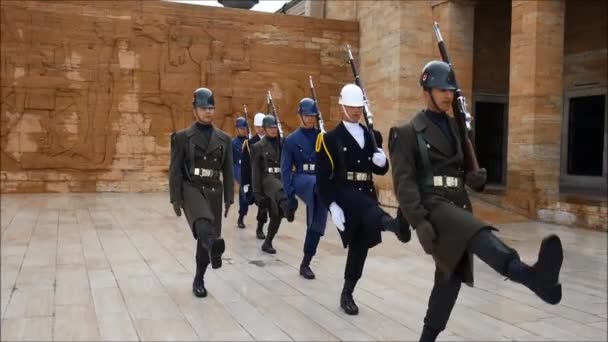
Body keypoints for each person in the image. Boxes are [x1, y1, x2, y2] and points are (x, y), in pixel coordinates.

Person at [388, 61, 564, 342]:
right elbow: (404, 182)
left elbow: (463, 173)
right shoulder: (406, 132)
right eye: (441, 89)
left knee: (449, 279)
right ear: (426, 91)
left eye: (451, 90)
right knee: (476, 231)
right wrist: (418, 221)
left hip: (457, 204)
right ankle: (529, 275)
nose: (448, 95)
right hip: (432, 208)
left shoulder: (457, 128)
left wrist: (476, 178)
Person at [316, 83, 410, 315]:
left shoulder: (371, 136)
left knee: (359, 247)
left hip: (366, 192)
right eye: (351, 106)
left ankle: (347, 293)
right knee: (367, 209)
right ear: (342, 107)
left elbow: (377, 170)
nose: (356, 111)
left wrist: (382, 161)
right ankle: (393, 224)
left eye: (359, 107)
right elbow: (322, 179)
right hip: (344, 192)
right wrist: (332, 206)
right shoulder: (330, 139)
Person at [169, 87, 234, 297]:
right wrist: (176, 199)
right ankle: (214, 245)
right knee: (204, 225)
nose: (208, 111)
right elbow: (175, 170)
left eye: (211, 107)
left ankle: (200, 277)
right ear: (194, 110)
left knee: (206, 240)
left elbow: (228, 169)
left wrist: (229, 198)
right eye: (203, 107)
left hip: (214, 189)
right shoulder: (182, 138)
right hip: (192, 187)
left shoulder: (224, 138)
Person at [281, 98, 328, 279]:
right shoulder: (291, 140)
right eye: (306, 115)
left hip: (319, 183)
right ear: (300, 116)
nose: (310, 119)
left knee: (318, 221)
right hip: (301, 178)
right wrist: (290, 196)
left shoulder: (323, 137)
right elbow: (285, 170)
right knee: (316, 184)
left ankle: (306, 262)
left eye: (313, 116)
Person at [251, 115, 296, 254]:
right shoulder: (257, 146)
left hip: (280, 178)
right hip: (266, 179)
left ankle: (268, 242)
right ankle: (288, 206)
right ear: (264, 129)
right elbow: (255, 171)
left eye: (275, 127)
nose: (273, 130)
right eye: (270, 127)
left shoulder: (283, 143)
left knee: (276, 215)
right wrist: (257, 193)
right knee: (275, 185)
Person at [241, 113, 270, 239]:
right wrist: (245, 183)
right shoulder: (249, 143)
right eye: (258, 126)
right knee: (246, 201)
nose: (260, 129)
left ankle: (260, 228)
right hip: (253, 179)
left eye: (262, 126)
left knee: (264, 205)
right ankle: (241, 217)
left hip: (266, 180)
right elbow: (245, 166)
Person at [231, 116, 250, 228]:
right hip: (238, 167)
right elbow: (231, 160)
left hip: (249, 168)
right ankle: (241, 217)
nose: (243, 130)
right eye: (241, 128)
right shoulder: (233, 143)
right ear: (237, 129)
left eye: (245, 128)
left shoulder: (250, 141)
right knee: (244, 189)